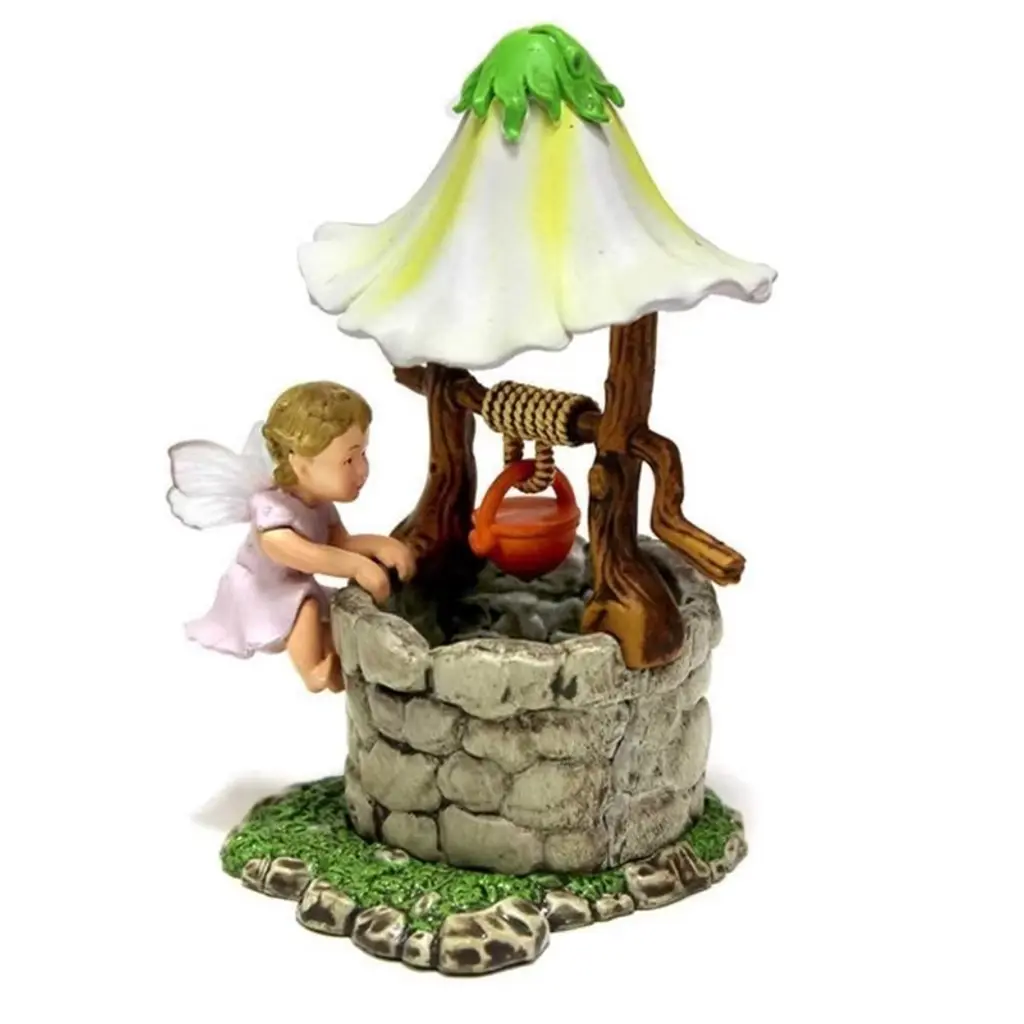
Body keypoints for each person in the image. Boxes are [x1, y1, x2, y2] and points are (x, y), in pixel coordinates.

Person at [167, 381, 416, 692]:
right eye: (349, 460)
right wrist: (356, 566)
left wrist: (381, 546)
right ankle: (314, 671)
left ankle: (338, 661)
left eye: (363, 453)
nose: (362, 470)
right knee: (306, 608)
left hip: (293, 583)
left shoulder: (320, 504)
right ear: (301, 465)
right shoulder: (272, 509)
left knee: (327, 611)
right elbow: (306, 555)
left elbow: (339, 543)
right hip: (262, 590)